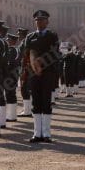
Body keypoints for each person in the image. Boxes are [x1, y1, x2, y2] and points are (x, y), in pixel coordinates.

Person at [23, 10, 61, 143]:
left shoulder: (52, 36)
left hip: (47, 73)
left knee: (46, 102)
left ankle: (46, 133)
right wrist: (32, 68)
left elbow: (55, 53)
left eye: (42, 20)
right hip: (34, 74)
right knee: (36, 102)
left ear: (47, 21)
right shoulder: (30, 37)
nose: (39, 22)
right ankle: (36, 133)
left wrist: (40, 63)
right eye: (37, 20)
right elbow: (26, 54)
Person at [2, 32, 20, 125]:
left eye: (8, 40)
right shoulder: (14, 50)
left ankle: (11, 116)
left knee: (10, 95)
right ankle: (11, 115)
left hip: (10, 76)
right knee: (10, 95)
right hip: (13, 75)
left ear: (12, 41)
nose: (7, 41)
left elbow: (9, 64)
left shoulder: (12, 51)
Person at [16, 27, 33, 117]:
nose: (18, 36)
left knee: (24, 89)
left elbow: (19, 57)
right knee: (27, 88)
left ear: (22, 35)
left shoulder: (24, 44)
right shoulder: (29, 43)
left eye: (19, 34)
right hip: (29, 68)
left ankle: (27, 111)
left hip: (25, 68)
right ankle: (27, 109)